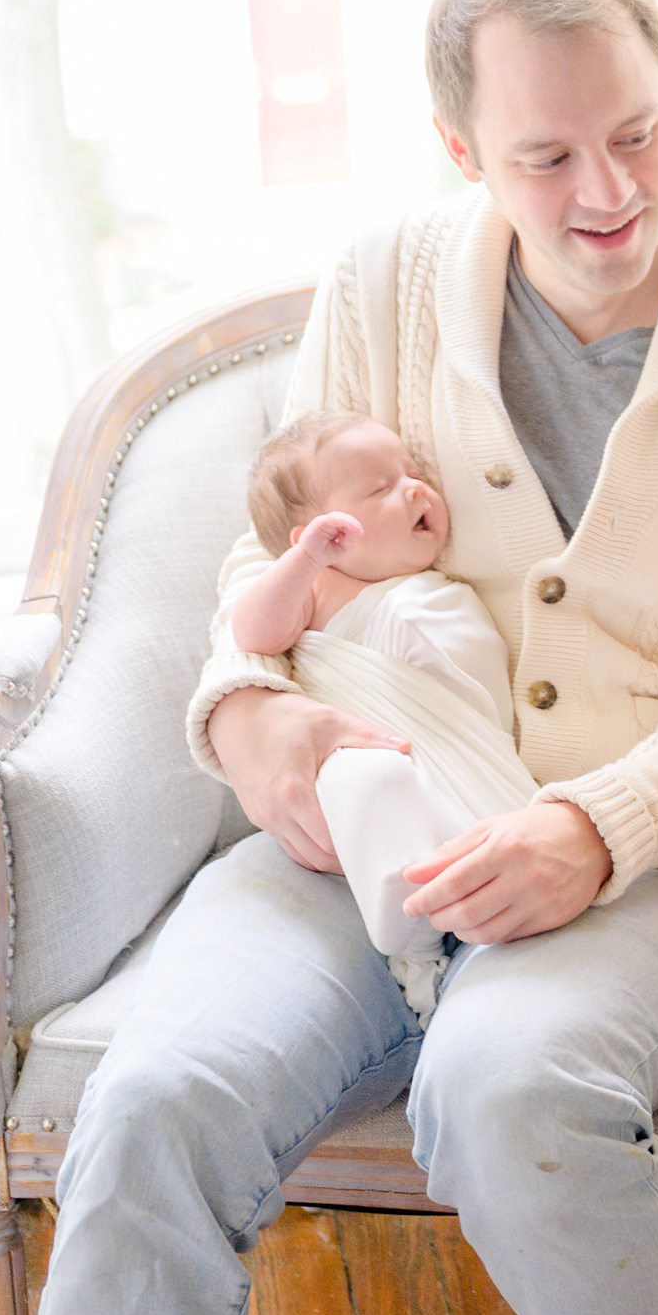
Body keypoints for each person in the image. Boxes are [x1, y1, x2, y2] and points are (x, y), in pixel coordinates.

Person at [37, 0, 658, 1315]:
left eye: (638, 135)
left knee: (511, 1092)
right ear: (460, 145)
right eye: (546, 157)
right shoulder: (379, 284)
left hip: (645, 859)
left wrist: (591, 830)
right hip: (350, 843)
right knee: (152, 1100)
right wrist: (250, 717)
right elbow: (275, 558)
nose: (608, 192)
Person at [228, 411, 536, 1018]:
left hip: (463, 756)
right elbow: (252, 634)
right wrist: (306, 564)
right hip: (381, 761)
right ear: (318, 537)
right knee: (370, 780)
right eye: (379, 489)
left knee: (465, 832)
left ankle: (459, 915)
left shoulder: (434, 583)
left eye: (412, 472)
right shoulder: (319, 588)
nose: (415, 489)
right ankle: (413, 947)